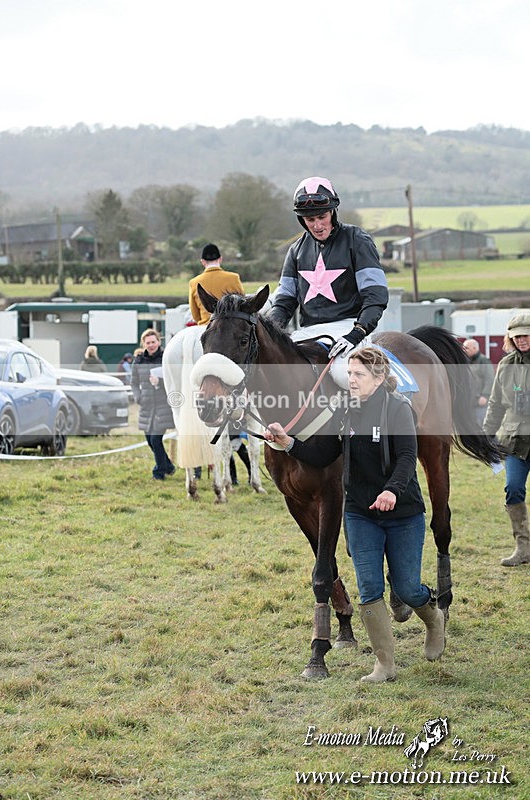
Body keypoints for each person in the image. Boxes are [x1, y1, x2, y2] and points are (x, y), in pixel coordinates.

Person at [263, 347, 445, 683]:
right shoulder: (343, 411)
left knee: (406, 588)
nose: (351, 381)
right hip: (361, 514)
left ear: (378, 377)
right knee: (370, 587)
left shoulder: (398, 409)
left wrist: (392, 490)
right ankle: (384, 665)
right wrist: (288, 443)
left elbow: (407, 457)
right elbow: (322, 454)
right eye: (349, 375)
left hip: (403, 512)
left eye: (358, 375)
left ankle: (433, 618)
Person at [267, 177, 389, 362]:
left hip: (350, 329)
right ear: (302, 220)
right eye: (310, 219)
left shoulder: (358, 241)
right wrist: (272, 334)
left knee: (346, 374)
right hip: (308, 333)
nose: (317, 225)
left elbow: (375, 296)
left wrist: (357, 332)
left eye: (322, 217)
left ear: (333, 212)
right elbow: (284, 302)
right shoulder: (295, 251)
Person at [483, 313, 530, 566]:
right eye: (517, 336)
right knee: (513, 489)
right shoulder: (506, 365)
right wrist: (486, 436)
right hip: (514, 441)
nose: (521, 340)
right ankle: (523, 549)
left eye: (525, 334)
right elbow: (495, 403)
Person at [131, 328, 175, 481]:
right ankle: (169, 466)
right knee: (150, 441)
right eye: (148, 342)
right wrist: (138, 397)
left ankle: (159, 472)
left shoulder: (166, 358)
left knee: (156, 439)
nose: (151, 345)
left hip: (163, 405)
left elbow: (173, 381)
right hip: (146, 405)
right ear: (143, 344)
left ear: (158, 342)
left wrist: (160, 382)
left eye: (153, 342)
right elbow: (134, 383)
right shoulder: (138, 360)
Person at [188, 243, 244, 325]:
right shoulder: (234, 278)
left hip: (205, 327)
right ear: (220, 259)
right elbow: (242, 305)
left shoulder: (194, 282)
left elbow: (195, 315)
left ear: (203, 262)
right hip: (231, 327)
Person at [462, 338, 495, 425]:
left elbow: (490, 379)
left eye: (466, 348)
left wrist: (485, 395)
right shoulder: (466, 362)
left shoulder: (484, 361)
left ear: (474, 348)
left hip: (480, 402)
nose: (464, 350)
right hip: (469, 402)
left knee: (481, 428)